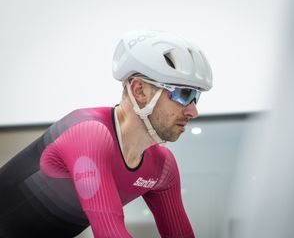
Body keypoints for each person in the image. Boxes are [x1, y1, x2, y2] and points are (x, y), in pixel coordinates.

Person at [0, 30, 212, 237]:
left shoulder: (163, 167)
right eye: (184, 94)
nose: (193, 111)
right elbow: (110, 232)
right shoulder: (88, 134)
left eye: (196, 97)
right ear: (140, 91)